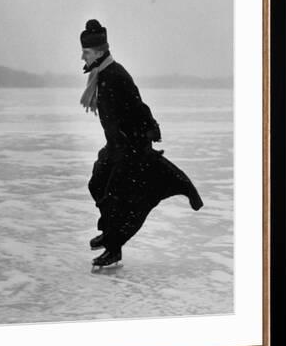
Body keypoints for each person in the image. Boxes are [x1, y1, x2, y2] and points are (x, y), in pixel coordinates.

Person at [80, 19, 204, 267]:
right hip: (115, 146)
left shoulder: (115, 75)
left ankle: (113, 249)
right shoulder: (101, 75)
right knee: (97, 185)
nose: (82, 57)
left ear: (99, 52)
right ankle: (109, 233)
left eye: (85, 52)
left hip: (129, 147)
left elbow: (136, 105)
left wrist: (148, 130)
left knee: (116, 198)